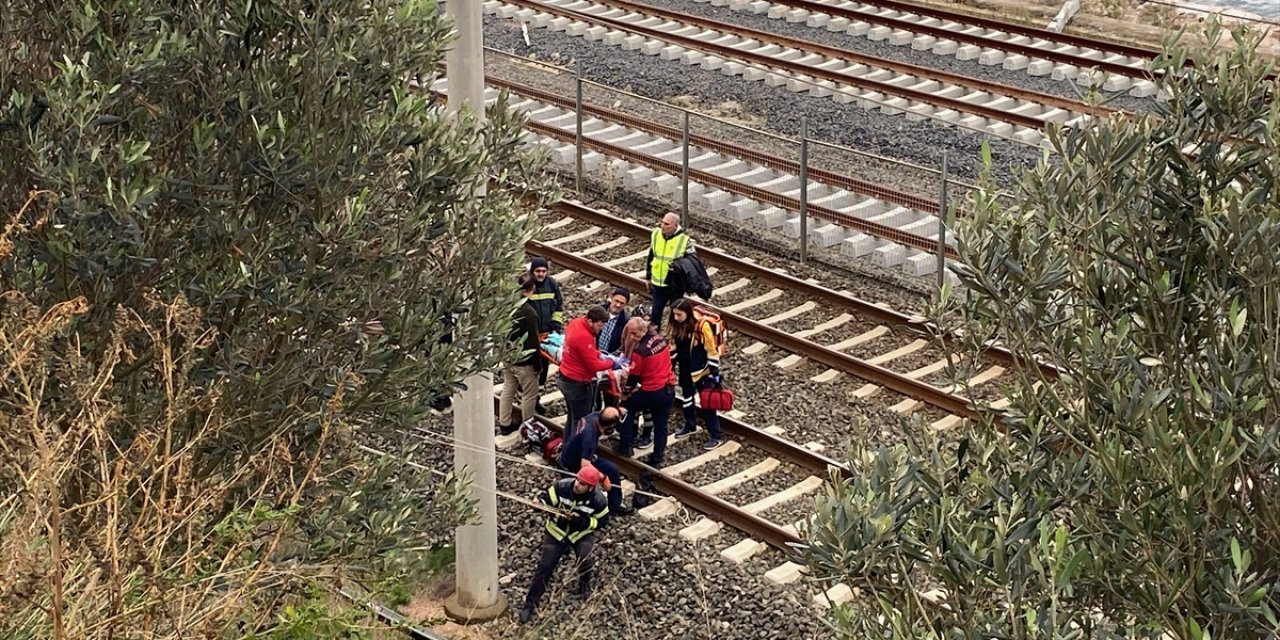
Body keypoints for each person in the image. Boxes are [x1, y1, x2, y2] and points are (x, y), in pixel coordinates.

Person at [518, 464, 610, 625]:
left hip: (579, 535)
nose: (577, 484)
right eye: (577, 480)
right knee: (545, 567)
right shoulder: (562, 487)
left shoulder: (598, 500)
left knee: (585, 559)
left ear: (590, 488)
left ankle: (585, 581)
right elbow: (545, 498)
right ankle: (530, 604)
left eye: (582, 483)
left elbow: (601, 521)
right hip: (556, 532)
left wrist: (582, 522)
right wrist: (539, 504)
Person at [617, 318, 675, 467]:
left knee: (626, 408)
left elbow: (633, 377)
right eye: (630, 333)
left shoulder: (640, 352)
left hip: (651, 391)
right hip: (668, 388)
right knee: (661, 426)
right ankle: (657, 458)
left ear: (643, 330)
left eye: (635, 334)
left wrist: (625, 393)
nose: (632, 337)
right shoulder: (660, 339)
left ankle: (625, 446)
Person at [666, 298, 724, 450]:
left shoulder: (702, 326)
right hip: (685, 367)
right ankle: (690, 425)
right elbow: (673, 346)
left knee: (707, 402)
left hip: (702, 370)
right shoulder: (676, 324)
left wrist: (714, 374)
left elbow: (711, 351)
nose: (676, 318)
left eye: (679, 315)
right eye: (675, 314)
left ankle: (716, 435)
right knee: (687, 398)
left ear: (687, 313)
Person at [558, 306, 623, 431]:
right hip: (578, 383)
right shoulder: (584, 336)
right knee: (580, 422)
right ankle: (576, 448)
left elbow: (584, 351)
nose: (601, 329)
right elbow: (594, 366)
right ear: (590, 321)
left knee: (572, 418)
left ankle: (568, 445)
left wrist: (598, 354)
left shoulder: (575, 323)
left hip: (565, 376)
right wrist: (611, 362)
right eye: (599, 325)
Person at [558, 407, 629, 517]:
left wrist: (618, 410)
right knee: (610, 471)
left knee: (611, 468)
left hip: (572, 454)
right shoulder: (589, 437)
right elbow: (585, 465)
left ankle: (615, 504)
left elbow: (607, 413)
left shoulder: (594, 417)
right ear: (609, 427)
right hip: (573, 464)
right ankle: (613, 506)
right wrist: (603, 478)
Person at [498, 273, 542, 435]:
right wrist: (537, 364)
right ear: (532, 289)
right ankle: (528, 428)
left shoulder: (508, 305)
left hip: (508, 357)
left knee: (508, 388)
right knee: (529, 394)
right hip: (524, 361)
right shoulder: (529, 312)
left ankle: (504, 422)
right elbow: (532, 341)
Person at [645, 213, 694, 331]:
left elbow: (692, 263)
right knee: (656, 313)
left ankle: (676, 338)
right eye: (662, 222)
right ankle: (654, 338)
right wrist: (648, 277)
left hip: (675, 285)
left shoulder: (684, 240)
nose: (662, 226)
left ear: (675, 226)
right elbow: (651, 256)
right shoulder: (656, 234)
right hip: (658, 282)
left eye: (666, 224)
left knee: (675, 314)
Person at [529, 256, 565, 399]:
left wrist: (555, 327)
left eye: (544, 271)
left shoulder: (552, 285)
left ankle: (538, 395)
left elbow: (558, 308)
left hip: (546, 334)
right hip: (532, 335)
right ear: (532, 271)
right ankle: (528, 396)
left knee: (544, 366)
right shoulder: (528, 285)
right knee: (532, 367)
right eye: (538, 271)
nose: (541, 274)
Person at [596, 287, 631, 355]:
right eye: (616, 301)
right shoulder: (598, 311)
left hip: (609, 358)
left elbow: (623, 346)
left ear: (626, 305)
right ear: (611, 298)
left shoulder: (625, 322)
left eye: (622, 303)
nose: (618, 305)